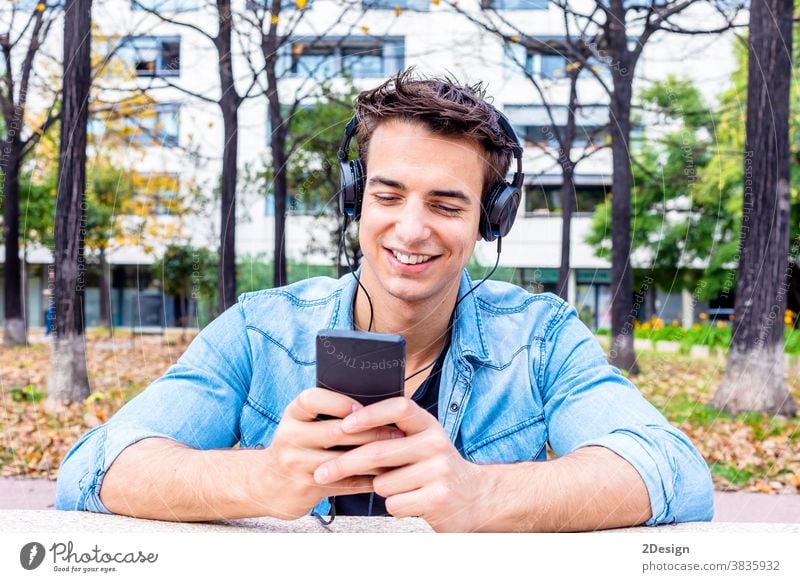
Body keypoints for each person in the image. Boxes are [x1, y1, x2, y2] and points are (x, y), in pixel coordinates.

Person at [56, 69, 713, 532]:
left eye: (447, 203)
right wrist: (263, 482)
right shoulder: (261, 329)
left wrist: (480, 496)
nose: (411, 228)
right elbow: (94, 468)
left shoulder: (541, 338)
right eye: (389, 195)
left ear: (491, 220)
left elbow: (675, 473)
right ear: (356, 199)